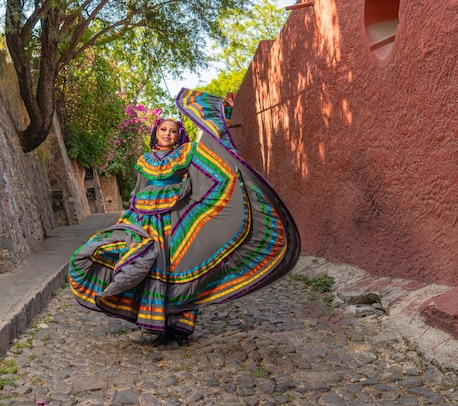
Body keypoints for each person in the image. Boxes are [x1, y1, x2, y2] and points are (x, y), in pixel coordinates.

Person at [69, 88, 301, 346]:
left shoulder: (188, 153)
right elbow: (138, 190)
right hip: (145, 221)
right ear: (155, 133)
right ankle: (156, 322)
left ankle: (181, 327)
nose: (167, 134)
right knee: (149, 267)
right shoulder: (144, 160)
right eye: (163, 130)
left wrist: (224, 112)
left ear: (179, 134)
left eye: (172, 131)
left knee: (181, 267)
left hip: (177, 219)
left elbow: (215, 149)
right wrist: (127, 220)